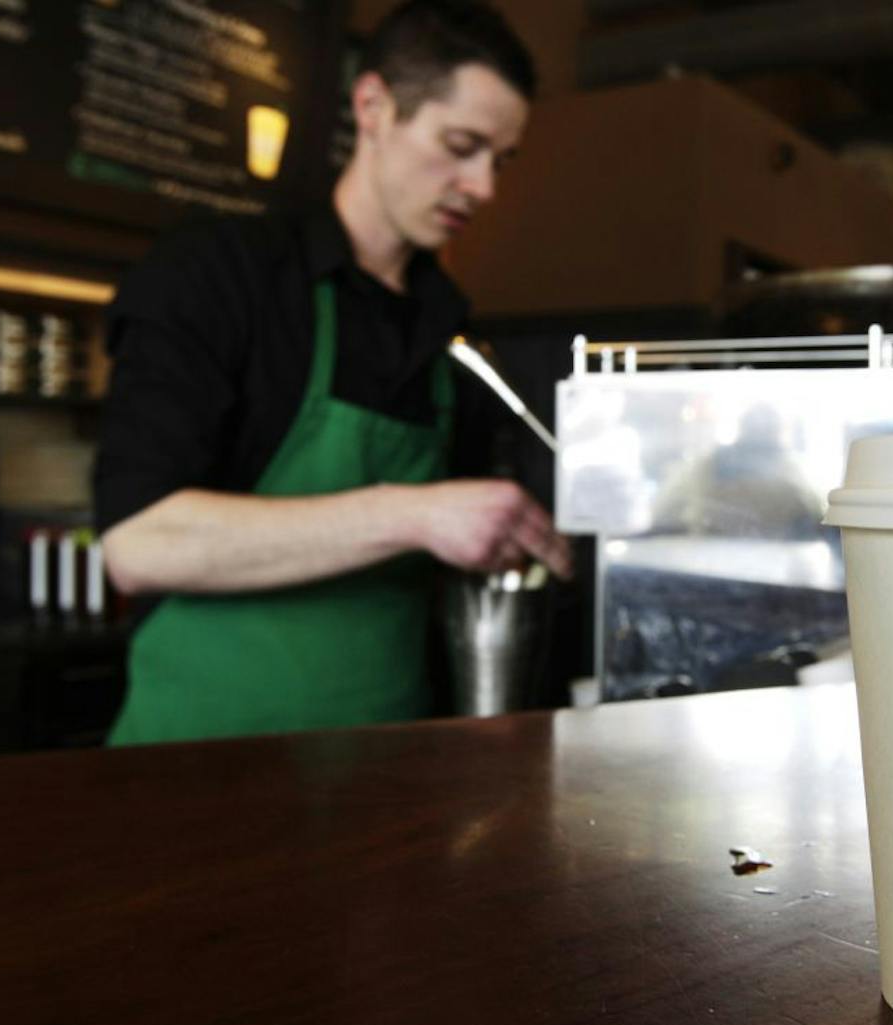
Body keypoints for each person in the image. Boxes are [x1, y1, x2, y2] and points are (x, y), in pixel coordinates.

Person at [94, 1, 571, 746]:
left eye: (500, 160)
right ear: (374, 106)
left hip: (392, 778)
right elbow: (138, 545)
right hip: (194, 776)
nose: (484, 188)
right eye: (461, 145)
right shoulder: (219, 271)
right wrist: (416, 514)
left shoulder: (451, 327)